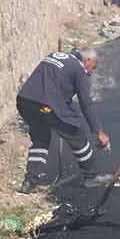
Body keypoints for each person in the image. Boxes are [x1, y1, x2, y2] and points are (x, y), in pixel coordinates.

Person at [16, 48, 110, 193]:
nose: (92, 72)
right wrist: (98, 131)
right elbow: (86, 103)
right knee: (77, 136)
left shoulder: (55, 56)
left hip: (25, 102)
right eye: (93, 68)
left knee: (41, 139)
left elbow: (57, 88)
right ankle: (90, 177)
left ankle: (30, 182)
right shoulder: (79, 69)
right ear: (88, 61)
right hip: (46, 105)